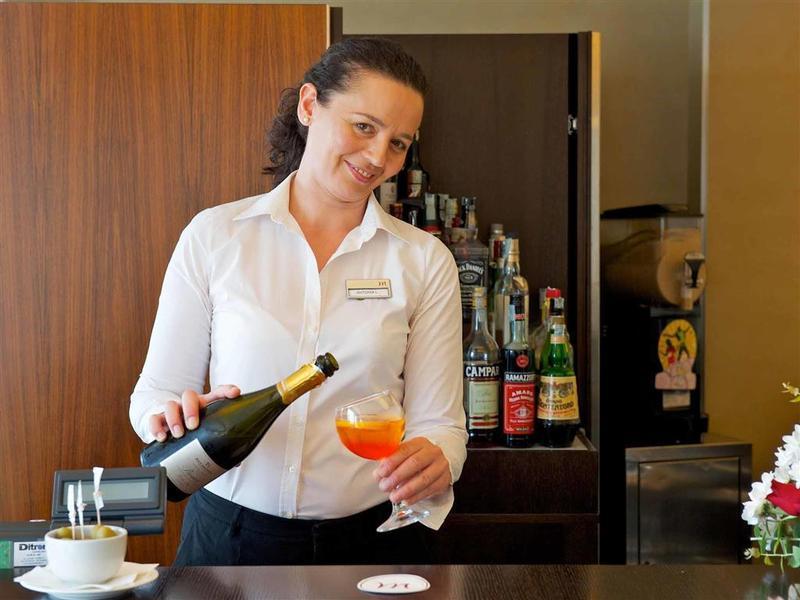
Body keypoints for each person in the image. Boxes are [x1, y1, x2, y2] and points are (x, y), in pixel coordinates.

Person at [129, 37, 467, 566]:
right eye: (364, 126)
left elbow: (441, 424)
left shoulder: (424, 261)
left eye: (398, 143)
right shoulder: (215, 236)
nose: (378, 157)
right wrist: (166, 416)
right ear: (310, 105)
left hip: (374, 541)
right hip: (229, 539)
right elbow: (154, 394)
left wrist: (440, 458)